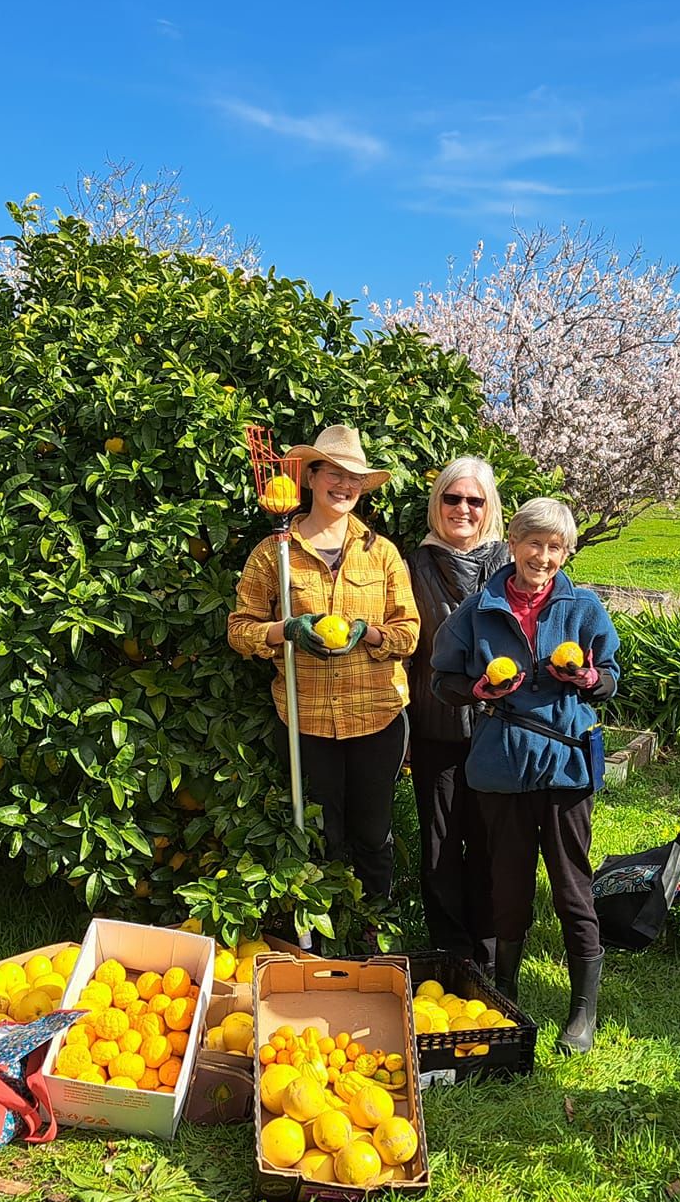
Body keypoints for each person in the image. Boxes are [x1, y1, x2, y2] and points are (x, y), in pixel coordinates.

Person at [431, 498, 620, 1050]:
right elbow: (444, 678)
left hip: (564, 765)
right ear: (512, 544)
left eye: (554, 546)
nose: (542, 556)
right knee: (507, 887)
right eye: (533, 543)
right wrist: (477, 690)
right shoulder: (478, 609)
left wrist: (588, 680)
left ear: (566, 553)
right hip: (503, 765)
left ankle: (582, 1011)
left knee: (571, 886)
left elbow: (611, 677)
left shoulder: (583, 608)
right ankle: (506, 993)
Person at [227, 425, 420, 930]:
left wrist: (369, 635)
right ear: (311, 476)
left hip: (377, 716)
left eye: (355, 476)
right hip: (306, 717)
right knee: (321, 831)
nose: (345, 484)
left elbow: (410, 633)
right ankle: (320, 932)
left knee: (373, 832)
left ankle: (375, 928)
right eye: (334, 473)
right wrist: (284, 630)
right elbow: (239, 629)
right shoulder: (276, 552)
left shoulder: (381, 552)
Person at [405, 457, 512, 967]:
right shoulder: (414, 565)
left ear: (489, 507)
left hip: (498, 728)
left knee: (491, 842)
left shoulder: (510, 567)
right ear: (438, 503)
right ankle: (450, 951)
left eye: (475, 500)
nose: (463, 509)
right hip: (436, 723)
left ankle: (487, 954)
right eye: (453, 498)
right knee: (441, 844)